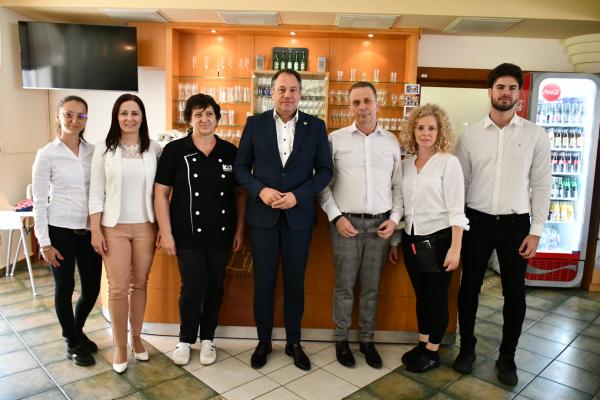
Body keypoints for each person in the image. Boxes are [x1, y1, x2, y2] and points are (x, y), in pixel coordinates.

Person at [453, 63, 551, 386]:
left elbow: (542, 185)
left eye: (512, 88)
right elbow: (460, 184)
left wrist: (536, 231)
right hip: (476, 221)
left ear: (519, 94)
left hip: (516, 224)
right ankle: (467, 347)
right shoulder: (470, 135)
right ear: (490, 91)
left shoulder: (535, 134)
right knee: (469, 288)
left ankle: (507, 356)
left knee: (515, 293)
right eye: (500, 87)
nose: (505, 93)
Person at [234, 69, 333, 371]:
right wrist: (260, 190)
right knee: (263, 282)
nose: (287, 95)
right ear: (271, 92)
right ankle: (263, 342)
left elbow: (325, 171)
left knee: (295, 283)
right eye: (281, 89)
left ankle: (294, 342)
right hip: (262, 217)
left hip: (298, 218)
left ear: (300, 93)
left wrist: (298, 196)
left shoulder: (316, 126)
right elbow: (241, 168)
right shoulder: (255, 124)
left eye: (293, 90)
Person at [154, 93, 247, 366]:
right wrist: (166, 233)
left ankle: (208, 339)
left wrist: (240, 230)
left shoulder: (230, 151)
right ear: (189, 120)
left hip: (221, 232)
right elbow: (161, 194)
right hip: (187, 232)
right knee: (193, 287)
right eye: (198, 114)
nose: (204, 119)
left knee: (215, 287)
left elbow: (240, 194)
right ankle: (185, 339)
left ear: (217, 118)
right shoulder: (175, 151)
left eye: (209, 114)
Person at [319, 81, 402, 369]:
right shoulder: (335, 140)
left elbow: (398, 187)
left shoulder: (391, 142)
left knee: (371, 288)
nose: (362, 107)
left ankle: (367, 341)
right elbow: (324, 185)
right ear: (349, 107)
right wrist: (336, 217)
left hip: (380, 226)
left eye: (367, 101)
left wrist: (394, 220)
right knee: (344, 286)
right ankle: (341, 340)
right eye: (356, 102)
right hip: (346, 224)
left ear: (377, 104)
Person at [389, 103, 469, 372]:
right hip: (412, 240)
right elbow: (401, 207)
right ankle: (423, 343)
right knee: (422, 296)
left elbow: (457, 210)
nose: (425, 133)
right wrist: (396, 241)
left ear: (440, 131)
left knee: (436, 297)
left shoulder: (449, 162)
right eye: (420, 128)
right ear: (413, 131)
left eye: (431, 128)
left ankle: (433, 352)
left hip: (440, 241)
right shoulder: (406, 165)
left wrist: (455, 248)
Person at [89, 94, 161, 374]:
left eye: (135, 113)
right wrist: (96, 230)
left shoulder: (154, 149)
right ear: (116, 117)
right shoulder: (104, 149)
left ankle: (137, 338)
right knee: (118, 287)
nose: (129, 118)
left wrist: (162, 227)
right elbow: (96, 192)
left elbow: (161, 191)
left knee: (140, 284)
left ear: (142, 117)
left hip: (146, 226)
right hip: (114, 227)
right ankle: (120, 345)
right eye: (124, 113)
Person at [32, 95, 102, 367]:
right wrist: (44, 243)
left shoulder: (93, 152)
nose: (75, 120)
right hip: (59, 230)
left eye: (81, 116)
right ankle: (72, 342)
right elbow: (39, 201)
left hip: (88, 230)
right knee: (65, 287)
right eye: (69, 114)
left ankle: (76, 329)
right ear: (58, 117)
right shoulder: (46, 154)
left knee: (92, 288)